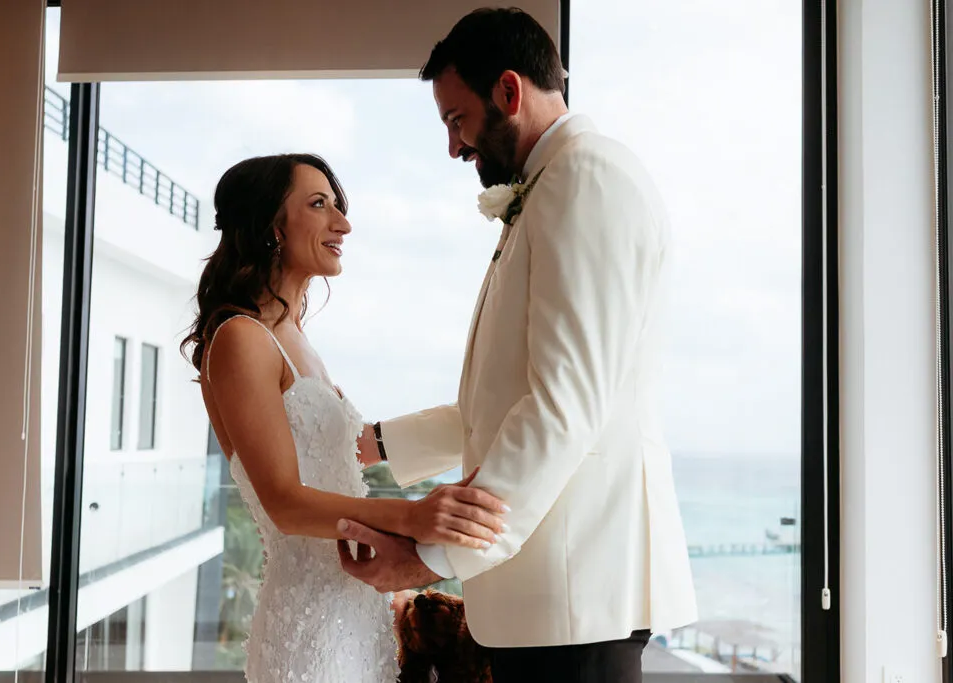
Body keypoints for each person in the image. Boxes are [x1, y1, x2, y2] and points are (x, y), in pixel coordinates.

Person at [336, 9, 699, 683]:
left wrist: (432, 557)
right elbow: (502, 403)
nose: (454, 146)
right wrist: (372, 444)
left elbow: (563, 406)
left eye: (456, 119)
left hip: (577, 590)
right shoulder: (555, 185)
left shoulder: (586, 179)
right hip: (554, 594)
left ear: (508, 91)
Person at [182, 153, 508, 683]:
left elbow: (344, 453)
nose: (344, 223)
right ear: (271, 225)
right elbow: (285, 503)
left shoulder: (296, 341)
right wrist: (412, 515)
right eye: (319, 205)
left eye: (339, 206)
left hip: (358, 614)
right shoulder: (241, 338)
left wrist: (485, 425)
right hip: (308, 630)